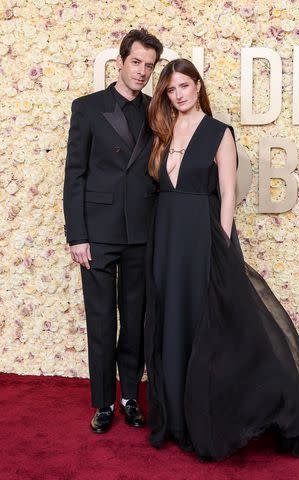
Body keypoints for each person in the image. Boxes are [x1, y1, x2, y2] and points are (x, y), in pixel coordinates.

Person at [144, 58, 299, 461]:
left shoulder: (219, 133)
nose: (179, 95)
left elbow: (226, 195)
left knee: (209, 324)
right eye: (171, 89)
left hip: (201, 239)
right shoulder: (165, 130)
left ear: (198, 85)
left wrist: (222, 247)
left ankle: (215, 415)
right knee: (171, 322)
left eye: (185, 86)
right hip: (166, 239)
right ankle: (174, 418)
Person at [63, 29, 163, 434]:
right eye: (136, 62)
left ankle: (128, 398)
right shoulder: (86, 109)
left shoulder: (157, 111)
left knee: (135, 319)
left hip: (141, 232)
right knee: (101, 320)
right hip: (98, 235)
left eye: (149, 66)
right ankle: (103, 402)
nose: (141, 72)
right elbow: (76, 175)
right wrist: (77, 235)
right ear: (120, 61)